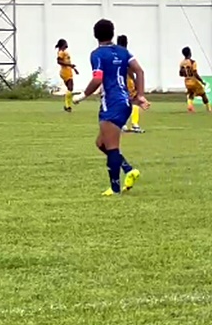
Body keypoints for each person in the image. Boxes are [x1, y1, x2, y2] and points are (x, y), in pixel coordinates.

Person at [73, 19, 148, 196]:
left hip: (112, 103)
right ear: (112, 33)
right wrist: (140, 94)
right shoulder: (123, 52)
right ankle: (129, 170)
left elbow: (98, 79)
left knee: (112, 147)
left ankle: (114, 189)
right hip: (124, 103)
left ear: (95, 35)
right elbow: (139, 71)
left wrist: (83, 95)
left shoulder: (97, 54)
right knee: (101, 144)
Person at [116, 34, 144, 133]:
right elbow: (131, 70)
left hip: (117, 81)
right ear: (126, 43)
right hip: (127, 80)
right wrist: (136, 82)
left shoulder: (114, 54)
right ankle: (135, 124)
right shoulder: (127, 54)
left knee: (121, 101)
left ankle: (122, 124)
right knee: (135, 101)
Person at [180, 46, 212, 112]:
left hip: (186, 81)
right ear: (190, 53)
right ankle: (209, 109)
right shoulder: (192, 62)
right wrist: (201, 81)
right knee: (203, 94)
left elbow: (180, 74)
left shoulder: (181, 63)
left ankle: (189, 106)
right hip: (193, 81)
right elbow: (195, 73)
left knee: (191, 93)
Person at [55, 39, 79, 112]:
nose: (67, 45)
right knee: (70, 87)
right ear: (63, 44)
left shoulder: (65, 52)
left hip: (68, 71)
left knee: (70, 89)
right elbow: (59, 61)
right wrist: (70, 65)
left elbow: (68, 62)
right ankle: (67, 105)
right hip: (65, 72)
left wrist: (74, 68)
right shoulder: (61, 52)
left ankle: (68, 106)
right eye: (65, 43)